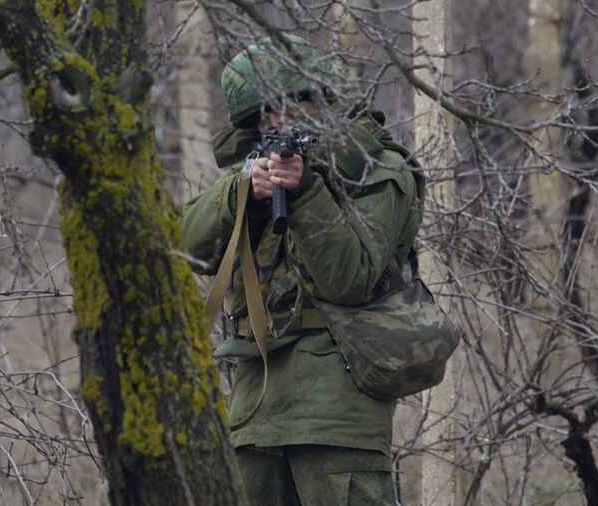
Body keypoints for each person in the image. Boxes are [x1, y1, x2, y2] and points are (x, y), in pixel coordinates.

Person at [180, 35, 422, 505]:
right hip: (255, 409)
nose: (279, 119)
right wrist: (242, 193)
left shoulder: (377, 171)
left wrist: (307, 191)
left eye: (294, 102)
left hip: (338, 414)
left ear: (322, 98)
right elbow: (183, 250)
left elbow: (351, 279)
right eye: (266, 111)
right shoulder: (250, 178)